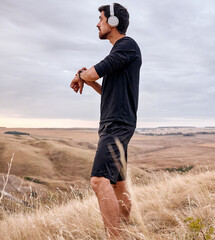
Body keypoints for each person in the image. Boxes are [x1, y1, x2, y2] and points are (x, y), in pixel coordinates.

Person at [70, 3, 141, 239]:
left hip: (117, 124)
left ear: (113, 22)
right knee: (117, 184)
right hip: (117, 122)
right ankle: (127, 231)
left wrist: (82, 76)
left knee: (99, 180)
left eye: (100, 19)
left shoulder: (126, 46)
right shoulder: (119, 53)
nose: (97, 24)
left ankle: (115, 236)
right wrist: (90, 83)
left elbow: (91, 72)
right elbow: (109, 91)